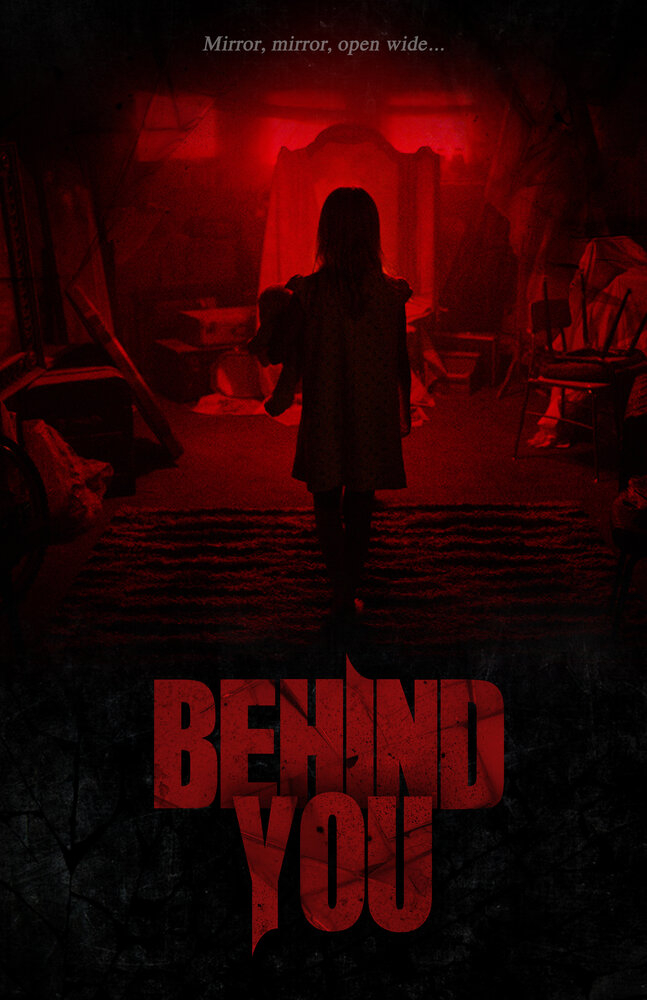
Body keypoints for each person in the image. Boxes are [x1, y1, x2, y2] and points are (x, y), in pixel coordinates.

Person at [257, 186, 412, 616]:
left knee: (326, 501)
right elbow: (400, 358)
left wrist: (271, 326)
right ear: (373, 234)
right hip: (371, 413)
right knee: (361, 502)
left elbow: (284, 352)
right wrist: (403, 409)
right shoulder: (391, 294)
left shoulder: (308, 293)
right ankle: (350, 587)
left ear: (325, 234)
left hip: (326, 413)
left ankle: (340, 590)